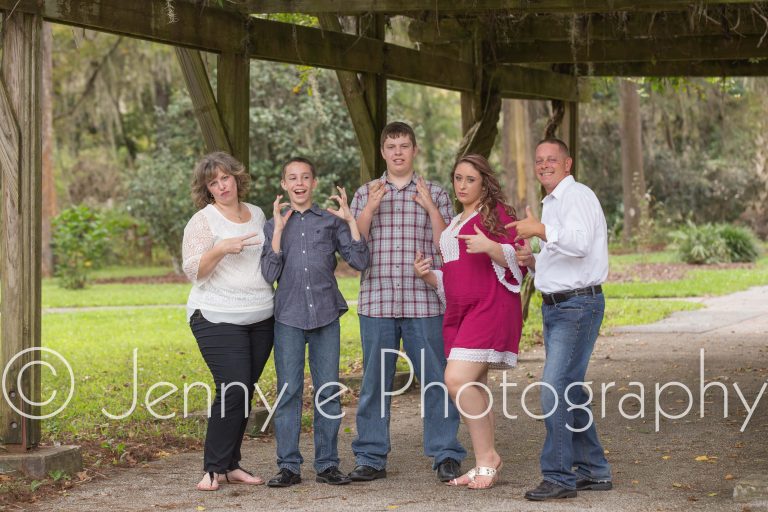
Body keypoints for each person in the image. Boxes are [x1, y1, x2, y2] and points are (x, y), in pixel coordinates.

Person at [348, 121, 466, 483]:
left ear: (415, 150)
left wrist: (431, 208)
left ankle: (445, 452)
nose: (398, 152)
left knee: (437, 379)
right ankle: (370, 456)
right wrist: (369, 208)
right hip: (377, 302)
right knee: (374, 381)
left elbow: (448, 250)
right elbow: (355, 249)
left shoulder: (437, 192)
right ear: (383, 152)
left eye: (404, 145)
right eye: (391, 146)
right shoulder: (365, 192)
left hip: (424, 303)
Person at [413, 154, 526, 490]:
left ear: (484, 183)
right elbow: (456, 273)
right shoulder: (456, 221)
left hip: (490, 307)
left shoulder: (497, 215)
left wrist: (491, 246)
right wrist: (431, 277)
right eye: (458, 178)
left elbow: (520, 260)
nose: (462, 185)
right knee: (475, 386)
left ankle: (488, 457)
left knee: (456, 379)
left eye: (469, 180)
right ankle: (482, 463)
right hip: (461, 312)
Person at [510, 138, 613, 501]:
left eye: (552, 159)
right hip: (556, 306)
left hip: (577, 307)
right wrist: (533, 260)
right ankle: (593, 470)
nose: (544, 164)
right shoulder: (550, 205)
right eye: (539, 160)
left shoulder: (578, 196)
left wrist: (538, 231)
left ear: (567, 164)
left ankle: (558, 476)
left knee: (554, 388)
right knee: (571, 391)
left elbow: (581, 244)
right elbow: (563, 256)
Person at [260, 157, 369, 488]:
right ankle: (289, 466)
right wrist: (278, 232)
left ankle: (327, 464)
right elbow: (268, 274)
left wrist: (350, 220)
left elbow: (360, 259)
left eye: (305, 176)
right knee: (288, 391)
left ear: (314, 183)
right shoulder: (272, 224)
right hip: (289, 317)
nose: (299, 182)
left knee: (328, 391)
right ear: (284, 184)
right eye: (292, 177)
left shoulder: (330, 221)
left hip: (324, 315)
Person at [181, 151, 275, 491]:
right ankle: (212, 468)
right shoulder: (203, 221)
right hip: (217, 316)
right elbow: (194, 271)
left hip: (262, 317)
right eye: (213, 182)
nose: (222, 186)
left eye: (226, 178)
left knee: (244, 391)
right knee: (232, 387)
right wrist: (221, 249)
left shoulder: (258, 214)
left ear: (236, 177)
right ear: (207, 189)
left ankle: (231, 464)